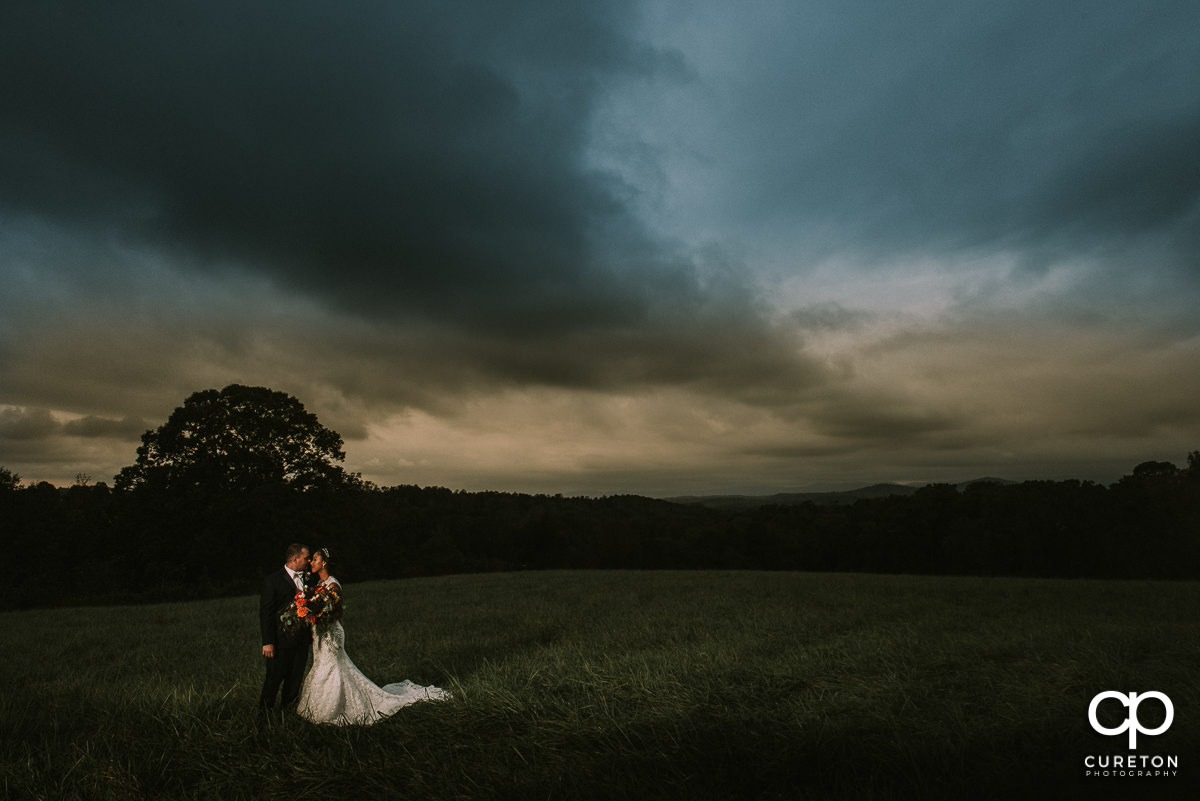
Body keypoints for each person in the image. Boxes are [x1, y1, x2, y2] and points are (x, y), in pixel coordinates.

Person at [296, 546, 447, 725]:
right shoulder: (318, 585)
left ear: (324, 563)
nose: (311, 562)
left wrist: (318, 614)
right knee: (321, 664)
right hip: (319, 634)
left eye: (315, 559)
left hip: (331, 633)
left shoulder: (333, 585)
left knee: (332, 667)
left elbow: (336, 614)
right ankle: (317, 707)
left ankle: (334, 708)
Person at [259, 543, 312, 712]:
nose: (308, 561)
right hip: (280, 642)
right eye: (306, 558)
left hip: (301, 641)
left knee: (294, 680)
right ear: (294, 559)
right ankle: (263, 716)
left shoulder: (308, 578)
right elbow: (266, 613)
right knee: (273, 680)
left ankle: (288, 714)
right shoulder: (273, 580)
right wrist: (267, 642)